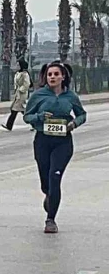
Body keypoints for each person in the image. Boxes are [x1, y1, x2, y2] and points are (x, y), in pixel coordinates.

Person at [23, 61, 87, 234]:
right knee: (46, 183)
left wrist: (74, 123)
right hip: (43, 141)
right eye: (50, 75)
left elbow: (82, 114)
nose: (52, 77)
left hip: (63, 143)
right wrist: (39, 117)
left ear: (63, 77)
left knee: (55, 177)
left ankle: (50, 219)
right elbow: (27, 117)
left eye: (56, 74)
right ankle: (49, 196)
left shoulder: (70, 97)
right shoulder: (39, 95)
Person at [2, 59, 32, 131]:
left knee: (15, 110)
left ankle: (9, 125)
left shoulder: (25, 74)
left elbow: (27, 84)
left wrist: (21, 90)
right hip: (17, 94)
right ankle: (32, 122)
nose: (17, 66)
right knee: (20, 110)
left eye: (18, 65)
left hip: (21, 95)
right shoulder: (17, 73)